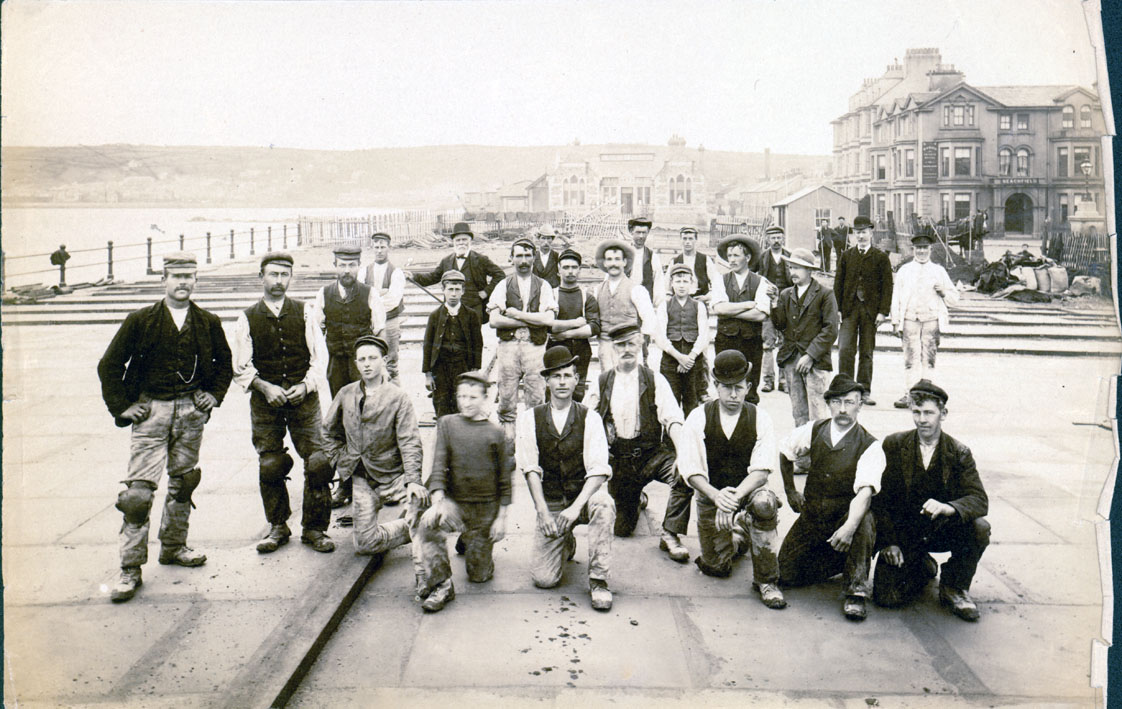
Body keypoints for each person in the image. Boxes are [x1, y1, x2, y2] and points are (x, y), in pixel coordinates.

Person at [97, 251, 233, 603]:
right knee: (137, 497)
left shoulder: (208, 322)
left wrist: (213, 396)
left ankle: (174, 546)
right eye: (176, 276)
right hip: (151, 414)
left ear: (196, 280)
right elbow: (109, 365)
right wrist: (122, 407)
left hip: (190, 412)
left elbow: (224, 364)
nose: (183, 282)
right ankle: (130, 568)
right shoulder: (140, 320)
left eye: (189, 276)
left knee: (184, 482)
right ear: (164, 280)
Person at [233, 252, 336, 555]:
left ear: (291, 277)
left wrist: (305, 385)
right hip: (266, 403)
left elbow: (320, 358)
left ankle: (315, 528)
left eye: (284, 275)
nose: (279, 281)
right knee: (270, 463)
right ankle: (278, 526)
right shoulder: (247, 317)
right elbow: (240, 366)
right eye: (273, 274)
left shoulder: (305, 312)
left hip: (304, 400)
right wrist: (264, 387)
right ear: (261, 277)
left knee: (319, 462)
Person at [677, 350, 786, 609]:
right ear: (716, 386)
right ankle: (742, 533)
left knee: (764, 503)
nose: (733, 394)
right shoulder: (698, 416)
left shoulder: (760, 417)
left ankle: (767, 580)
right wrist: (716, 497)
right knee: (717, 566)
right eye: (727, 388)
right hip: (711, 495)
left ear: (749, 386)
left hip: (746, 493)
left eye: (739, 387)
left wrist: (733, 499)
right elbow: (690, 470)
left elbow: (762, 471)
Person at [873, 381, 990, 621]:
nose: (922, 420)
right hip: (905, 534)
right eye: (916, 412)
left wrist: (949, 508)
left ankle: (954, 586)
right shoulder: (894, 444)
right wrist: (889, 542)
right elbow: (880, 499)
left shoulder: (959, 452)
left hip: (942, 530)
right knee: (887, 598)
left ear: (943, 414)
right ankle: (921, 566)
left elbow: (979, 499)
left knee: (980, 528)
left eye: (929, 413)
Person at [778, 374, 885, 621]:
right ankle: (840, 560)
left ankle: (856, 591)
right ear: (828, 404)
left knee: (864, 519)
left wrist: (848, 528)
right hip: (813, 517)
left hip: (845, 519)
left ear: (860, 405)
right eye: (837, 402)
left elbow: (865, 493)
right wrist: (790, 491)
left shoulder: (870, 445)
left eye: (850, 402)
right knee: (785, 573)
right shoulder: (815, 429)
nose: (843, 409)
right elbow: (785, 451)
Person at [517, 345, 616, 610]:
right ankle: (565, 541)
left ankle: (599, 579)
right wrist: (542, 511)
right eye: (556, 376)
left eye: (567, 376)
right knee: (544, 579)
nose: (562, 382)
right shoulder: (530, 418)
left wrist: (575, 508)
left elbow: (599, 470)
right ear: (546, 381)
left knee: (604, 503)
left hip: (581, 498)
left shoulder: (589, 417)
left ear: (576, 379)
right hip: (551, 501)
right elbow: (530, 468)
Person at [584, 325, 692, 563]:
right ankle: (637, 498)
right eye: (620, 345)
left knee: (686, 474)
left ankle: (670, 534)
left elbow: (673, 419)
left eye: (631, 343)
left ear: (641, 344)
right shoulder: (602, 381)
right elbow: (586, 422)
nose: (626, 349)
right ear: (613, 349)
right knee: (622, 529)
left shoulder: (655, 379)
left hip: (652, 456)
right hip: (620, 463)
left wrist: (683, 454)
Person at [323, 336, 427, 581]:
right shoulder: (346, 393)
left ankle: (422, 524)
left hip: (393, 475)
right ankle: (413, 528)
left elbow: (410, 441)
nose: (367, 364)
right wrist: (339, 459)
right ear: (356, 363)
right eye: (362, 359)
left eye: (372, 358)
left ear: (384, 360)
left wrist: (413, 480)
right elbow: (328, 431)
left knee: (421, 512)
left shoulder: (398, 397)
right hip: (361, 478)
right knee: (365, 544)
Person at [416, 371, 514, 612]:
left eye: (473, 397)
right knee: (428, 523)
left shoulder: (496, 433)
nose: (466, 402)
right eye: (462, 396)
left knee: (479, 576)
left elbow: (505, 481)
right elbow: (439, 465)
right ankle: (442, 584)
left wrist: (501, 519)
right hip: (456, 504)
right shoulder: (448, 424)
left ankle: (472, 541)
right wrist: (438, 501)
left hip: (485, 511)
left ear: (485, 398)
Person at [312, 243, 386, 511]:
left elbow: (380, 332)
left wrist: (379, 368)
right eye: (342, 265)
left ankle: (375, 480)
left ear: (358, 266)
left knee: (370, 420)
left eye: (351, 265)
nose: (347, 270)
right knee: (343, 423)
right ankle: (345, 483)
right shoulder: (324, 294)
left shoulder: (370, 294)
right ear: (335, 266)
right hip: (336, 367)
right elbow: (317, 331)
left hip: (363, 368)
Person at [487, 238, 557, 439]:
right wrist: (533, 320)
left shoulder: (543, 285)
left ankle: (533, 443)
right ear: (511, 258)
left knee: (536, 397)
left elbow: (549, 319)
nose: (524, 260)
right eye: (519, 256)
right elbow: (494, 320)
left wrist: (517, 315)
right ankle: (508, 444)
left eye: (527, 255)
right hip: (508, 347)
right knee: (506, 397)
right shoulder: (503, 284)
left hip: (534, 347)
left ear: (534, 257)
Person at [770, 248, 839, 429]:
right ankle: (802, 446)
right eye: (791, 267)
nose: (792, 272)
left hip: (816, 362)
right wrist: (774, 303)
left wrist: (810, 355)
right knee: (798, 412)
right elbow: (780, 325)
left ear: (809, 270)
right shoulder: (786, 294)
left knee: (817, 412)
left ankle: (818, 445)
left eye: (797, 268)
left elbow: (831, 330)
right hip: (791, 359)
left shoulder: (825, 294)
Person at [891, 234, 960, 408]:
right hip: (910, 319)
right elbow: (896, 296)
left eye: (925, 248)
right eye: (918, 248)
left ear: (930, 249)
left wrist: (943, 292)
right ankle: (910, 394)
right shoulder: (904, 270)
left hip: (931, 320)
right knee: (910, 358)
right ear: (913, 249)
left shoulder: (939, 271)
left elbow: (954, 298)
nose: (921, 251)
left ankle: (927, 394)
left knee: (929, 358)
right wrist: (895, 320)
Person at [834, 215, 893, 406]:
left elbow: (887, 287)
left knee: (866, 352)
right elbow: (838, 283)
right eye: (857, 233)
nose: (860, 236)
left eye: (864, 232)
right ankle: (845, 388)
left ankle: (864, 390)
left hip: (870, 311)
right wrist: (837, 309)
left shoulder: (881, 257)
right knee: (845, 350)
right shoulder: (846, 256)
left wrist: (883, 312)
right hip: (849, 310)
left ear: (871, 233)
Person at [712, 233, 770, 405]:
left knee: (749, 387)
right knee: (725, 384)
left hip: (751, 343)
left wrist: (729, 310)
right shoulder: (720, 280)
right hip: (725, 341)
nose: (731, 259)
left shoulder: (761, 282)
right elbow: (719, 308)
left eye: (736, 255)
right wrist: (747, 305)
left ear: (748, 257)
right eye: (729, 255)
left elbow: (760, 314)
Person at [413, 222, 506, 323]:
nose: (461, 243)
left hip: (474, 307)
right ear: (453, 242)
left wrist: (486, 292)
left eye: (464, 239)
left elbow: (500, 275)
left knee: (474, 332)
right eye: (458, 240)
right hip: (451, 307)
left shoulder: (480, 259)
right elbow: (433, 277)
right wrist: (413, 276)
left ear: (470, 241)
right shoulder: (446, 261)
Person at [422, 270, 483, 419]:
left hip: (462, 367)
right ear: (443, 290)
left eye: (457, 289)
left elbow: (477, 344)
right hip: (440, 369)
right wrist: (428, 375)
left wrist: (475, 371)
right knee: (441, 405)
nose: (453, 294)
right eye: (450, 289)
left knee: (462, 405)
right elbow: (428, 345)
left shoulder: (471, 315)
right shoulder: (435, 316)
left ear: (463, 291)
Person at [593, 239, 658, 371]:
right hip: (605, 348)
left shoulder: (636, 289)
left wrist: (637, 342)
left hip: (628, 348)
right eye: (609, 259)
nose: (613, 263)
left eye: (617, 259)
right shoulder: (597, 290)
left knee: (631, 381)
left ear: (624, 262)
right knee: (608, 380)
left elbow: (650, 320)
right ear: (604, 263)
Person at [655, 263, 710, 414]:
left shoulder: (699, 306)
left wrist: (690, 357)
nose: (681, 285)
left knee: (692, 402)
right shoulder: (664, 306)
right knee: (670, 402)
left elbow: (704, 335)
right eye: (678, 281)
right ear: (671, 283)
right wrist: (679, 357)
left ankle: (691, 429)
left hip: (694, 361)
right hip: (670, 360)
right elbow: (660, 336)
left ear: (692, 284)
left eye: (685, 281)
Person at [547, 248, 600, 401]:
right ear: (559, 270)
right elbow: (548, 325)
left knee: (577, 394)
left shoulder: (587, 297)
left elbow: (594, 327)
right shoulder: (550, 295)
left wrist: (565, 334)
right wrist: (576, 323)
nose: (570, 271)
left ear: (579, 270)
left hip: (580, 351)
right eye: (566, 267)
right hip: (554, 350)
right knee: (552, 394)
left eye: (574, 267)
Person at [360, 231, 406, 384]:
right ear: (372, 248)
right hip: (370, 322)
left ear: (388, 248)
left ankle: (395, 395)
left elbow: (393, 300)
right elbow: (360, 296)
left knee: (391, 362)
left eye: (382, 247)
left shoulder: (396, 272)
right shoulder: (364, 271)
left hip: (390, 321)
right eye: (376, 247)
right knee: (370, 360)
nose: (379, 251)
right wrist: (381, 293)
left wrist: (372, 296)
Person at [756, 226, 793, 393]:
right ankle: (768, 380)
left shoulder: (790, 256)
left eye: (779, 237)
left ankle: (784, 380)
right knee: (767, 343)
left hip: (786, 305)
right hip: (768, 305)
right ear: (767, 240)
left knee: (785, 343)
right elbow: (753, 277)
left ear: (783, 239)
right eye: (773, 238)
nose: (776, 241)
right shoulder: (762, 257)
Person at [624, 216, 665, 307]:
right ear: (631, 232)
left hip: (645, 302)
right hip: (625, 301)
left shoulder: (653, 257)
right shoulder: (623, 254)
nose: (641, 236)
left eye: (644, 233)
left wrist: (657, 306)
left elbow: (658, 283)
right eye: (638, 232)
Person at [671, 226, 717, 303]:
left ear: (696, 240)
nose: (687, 242)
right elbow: (667, 288)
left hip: (700, 301)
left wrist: (707, 297)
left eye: (690, 238)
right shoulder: (674, 261)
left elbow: (716, 282)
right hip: (679, 302)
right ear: (680, 240)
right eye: (684, 238)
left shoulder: (705, 259)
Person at [532, 224, 561, 288]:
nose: (546, 242)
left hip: (552, 290)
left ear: (552, 240)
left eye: (548, 238)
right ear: (538, 239)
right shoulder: (533, 256)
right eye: (543, 238)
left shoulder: (557, 256)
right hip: (536, 290)